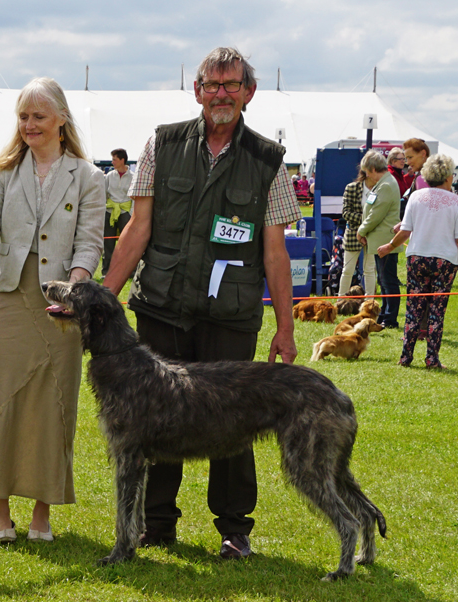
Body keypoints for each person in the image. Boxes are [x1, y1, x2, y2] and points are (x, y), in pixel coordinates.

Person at [102, 47, 301, 560]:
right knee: (155, 419)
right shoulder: (161, 144)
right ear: (196, 91)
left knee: (233, 427)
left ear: (248, 94)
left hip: (231, 315)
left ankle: (234, 530)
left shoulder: (268, 161)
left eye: (231, 85)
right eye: (211, 85)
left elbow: (275, 253)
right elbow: (136, 229)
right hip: (162, 305)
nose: (220, 94)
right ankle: (157, 525)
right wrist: (106, 297)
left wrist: (286, 327)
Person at [0, 77, 104, 543]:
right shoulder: (1, 175)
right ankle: (0, 515)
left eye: (38, 116)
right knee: (2, 399)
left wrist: (73, 291)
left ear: (61, 120)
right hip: (8, 300)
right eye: (23, 117)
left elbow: (89, 243)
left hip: (61, 305)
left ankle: (41, 516)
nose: (29, 125)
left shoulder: (88, 177)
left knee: (54, 407)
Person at [378, 154, 458, 369]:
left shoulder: (416, 196)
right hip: (445, 260)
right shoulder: (456, 201)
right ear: (448, 177)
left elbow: (405, 231)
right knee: (436, 312)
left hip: (417, 258)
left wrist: (389, 247)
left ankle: (406, 357)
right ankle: (432, 359)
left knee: (414, 308)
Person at [357, 150, 402, 329]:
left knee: (388, 280)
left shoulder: (386, 185)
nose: (366, 175)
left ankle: (390, 319)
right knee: (383, 279)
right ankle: (385, 314)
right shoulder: (383, 183)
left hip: (385, 240)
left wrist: (361, 230)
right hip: (379, 239)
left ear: (374, 169)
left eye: (367, 171)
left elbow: (376, 214)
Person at [337, 169, 373, 296]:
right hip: (353, 233)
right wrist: (368, 220)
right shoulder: (351, 188)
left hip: (372, 233)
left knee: (370, 270)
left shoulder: (380, 189)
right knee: (347, 270)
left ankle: (370, 302)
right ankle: (341, 301)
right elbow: (346, 213)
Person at [103, 148, 134, 274]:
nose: (112, 162)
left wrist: (130, 214)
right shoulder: (110, 175)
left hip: (125, 212)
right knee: (108, 243)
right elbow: (104, 193)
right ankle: (106, 271)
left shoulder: (133, 177)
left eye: (114, 159)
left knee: (126, 243)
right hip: (110, 211)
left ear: (122, 160)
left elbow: (134, 197)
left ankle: (128, 271)